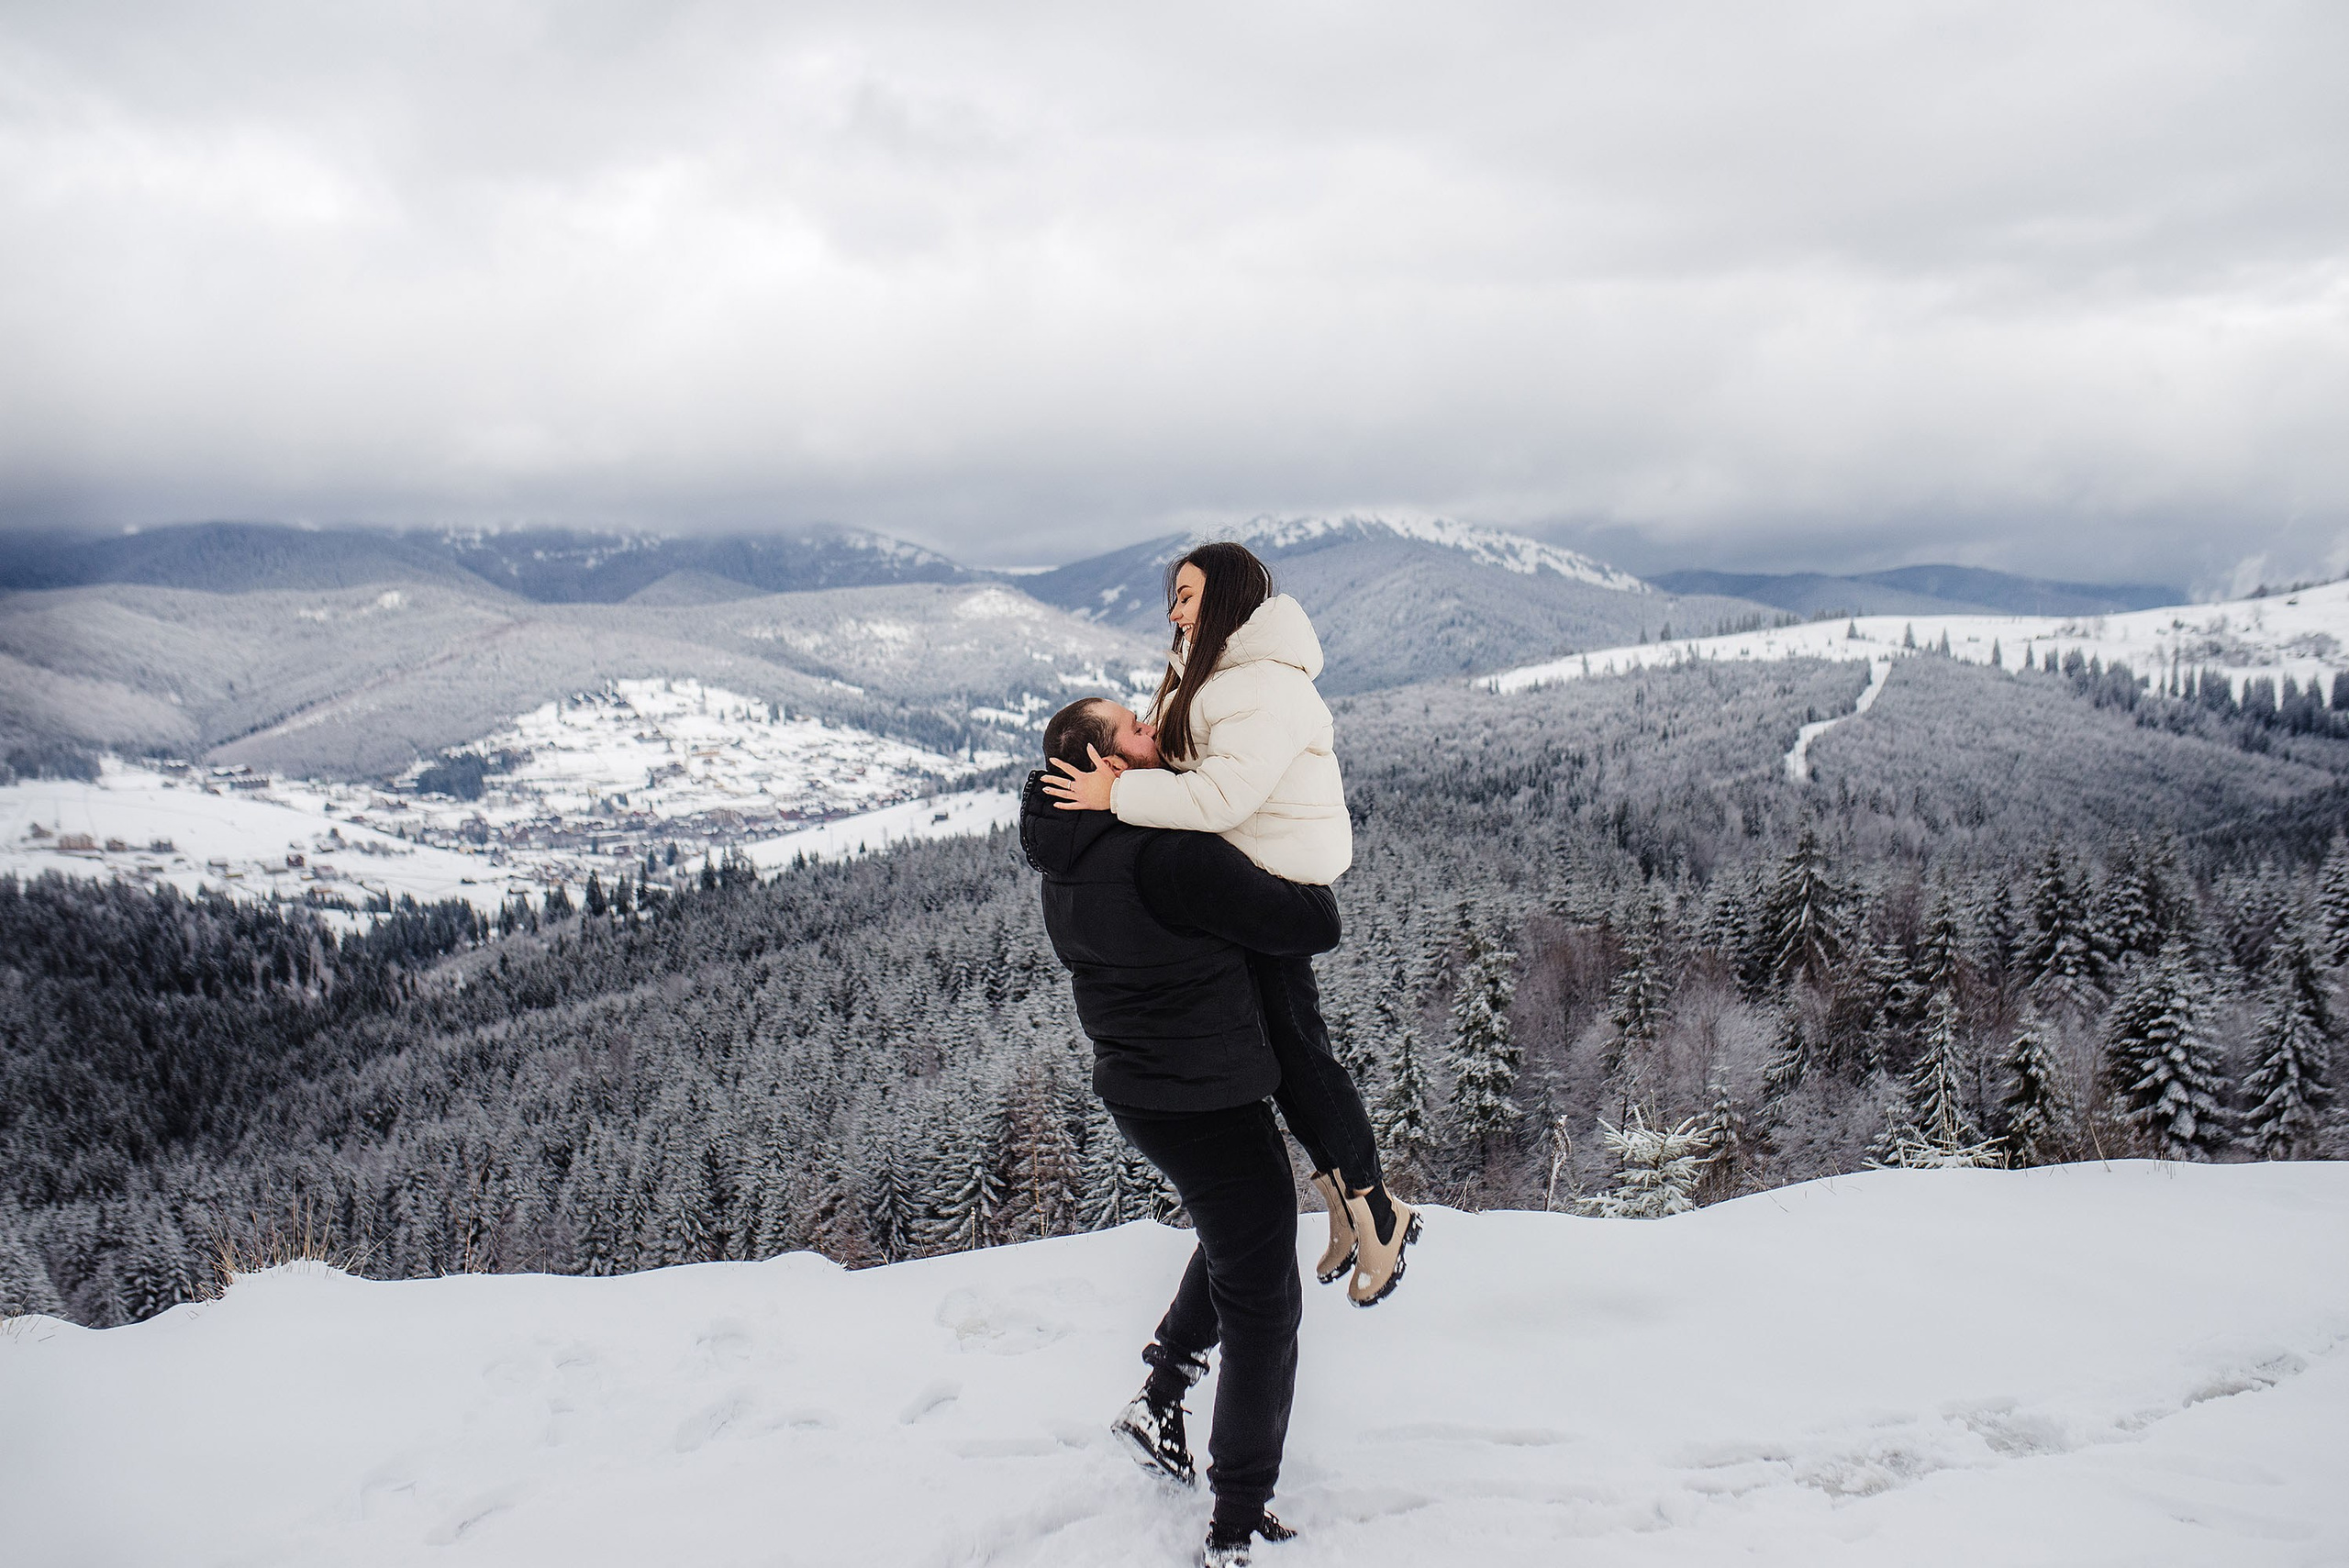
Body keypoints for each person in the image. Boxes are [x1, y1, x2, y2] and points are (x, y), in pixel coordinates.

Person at [1041, 541, 1421, 1306]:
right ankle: (1347, 1204)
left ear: (1226, 596)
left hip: (1277, 876)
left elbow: (1218, 800)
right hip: (1249, 873)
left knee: (1303, 1055)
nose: (1174, 611)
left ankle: (1379, 1209)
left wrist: (1112, 799)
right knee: (1285, 1051)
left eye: (1186, 595)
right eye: (1172, 599)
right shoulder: (1207, 671)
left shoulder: (1259, 684)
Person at [1019, 713, 1339, 1567]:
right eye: (1130, 726)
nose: (1151, 722)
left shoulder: (1068, 857)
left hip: (1145, 1094)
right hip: (1211, 1098)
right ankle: (1238, 1520)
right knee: (1265, 1296)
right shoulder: (1169, 854)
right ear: (1100, 760)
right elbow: (1315, 922)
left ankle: (1161, 1395)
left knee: (1239, 1238)